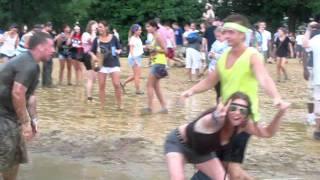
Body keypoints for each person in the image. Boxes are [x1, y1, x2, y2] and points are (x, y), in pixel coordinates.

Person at [181, 14, 287, 179]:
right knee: (222, 165)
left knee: (232, 169)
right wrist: (191, 91)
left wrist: (276, 97)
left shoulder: (252, 55)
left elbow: (264, 78)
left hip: (242, 120)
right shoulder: (223, 56)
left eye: (230, 32)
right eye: (225, 32)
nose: (226, 36)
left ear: (242, 34)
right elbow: (210, 81)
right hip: (223, 119)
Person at [165, 92, 289, 180]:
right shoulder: (215, 118)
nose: (237, 113)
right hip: (179, 143)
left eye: (242, 110)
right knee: (178, 178)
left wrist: (280, 114)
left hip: (202, 153)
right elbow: (198, 127)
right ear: (227, 108)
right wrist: (215, 118)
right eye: (233, 108)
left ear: (246, 115)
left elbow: (267, 133)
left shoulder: (243, 125)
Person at [0, 32, 55, 180]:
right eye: (51, 46)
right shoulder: (27, 64)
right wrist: (25, 123)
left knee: (14, 158)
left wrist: (33, 121)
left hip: (11, 116)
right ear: (40, 47)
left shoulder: (33, 66)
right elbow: (17, 93)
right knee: (4, 158)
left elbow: (29, 97)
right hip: (3, 116)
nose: (53, 50)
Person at [90, 21, 122, 109]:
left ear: (106, 28)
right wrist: (94, 57)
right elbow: (91, 51)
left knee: (116, 84)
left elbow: (120, 49)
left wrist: (117, 51)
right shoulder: (96, 39)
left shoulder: (114, 37)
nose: (99, 29)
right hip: (101, 65)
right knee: (101, 85)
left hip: (114, 63)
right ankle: (102, 107)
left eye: (100, 27)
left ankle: (119, 105)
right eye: (98, 27)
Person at [141, 20, 168, 114]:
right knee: (156, 87)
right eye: (146, 27)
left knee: (149, 85)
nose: (147, 28)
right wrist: (150, 49)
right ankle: (164, 108)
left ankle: (149, 108)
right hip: (156, 62)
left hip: (159, 63)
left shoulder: (158, 36)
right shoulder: (154, 37)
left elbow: (166, 51)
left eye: (149, 26)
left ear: (155, 27)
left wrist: (154, 49)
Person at [303, 21, 320, 140]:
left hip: (318, 78)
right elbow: (305, 46)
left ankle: (318, 130)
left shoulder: (317, 39)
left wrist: (308, 28)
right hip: (317, 76)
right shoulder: (317, 38)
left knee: (318, 102)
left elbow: (305, 44)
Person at [121, 24, 144, 95]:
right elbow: (131, 50)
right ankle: (138, 90)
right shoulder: (133, 39)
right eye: (139, 30)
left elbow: (139, 47)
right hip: (134, 58)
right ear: (135, 31)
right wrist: (135, 60)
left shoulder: (138, 38)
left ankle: (123, 83)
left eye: (140, 30)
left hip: (138, 57)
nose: (141, 31)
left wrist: (145, 47)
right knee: (137, 75)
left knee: (135, 75)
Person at [81, 20, 98, 101]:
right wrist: (94, 32)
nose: (96, 27)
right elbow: (92, 41)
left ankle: (88, 91)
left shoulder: (94, 35)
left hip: (94, 57)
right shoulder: (86, 34)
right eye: (95, 26)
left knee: (94, 78)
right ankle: (89, 97)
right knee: (91, 78)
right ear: (90, 26)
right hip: (88, 56)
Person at [41, 22, 54, 87]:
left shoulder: (42, 32)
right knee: (48, 67)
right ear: (47, 26)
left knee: (45, 67)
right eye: (50, 27)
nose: (51, 28)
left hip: (44, 52)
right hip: (47, 52)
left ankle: (44, 82)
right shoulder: (46, 33)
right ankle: (48, 83)